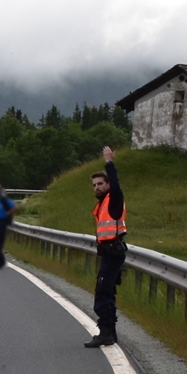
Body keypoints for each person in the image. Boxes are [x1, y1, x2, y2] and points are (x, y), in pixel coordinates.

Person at [85, 146, 127, 348]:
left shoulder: (114, 199)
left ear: (108, 184)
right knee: (108, 293)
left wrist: (109, 162)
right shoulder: (103, 203)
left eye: (100, 184)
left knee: (102, 293)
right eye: (94, 185)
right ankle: (111, 333)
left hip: (114, 252)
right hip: (109, 253)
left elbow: (117, 186)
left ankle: (105, 334)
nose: (97, 188)